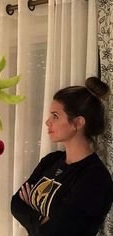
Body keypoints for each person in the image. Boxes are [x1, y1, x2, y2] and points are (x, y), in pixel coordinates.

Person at [11, 77, 113, 236]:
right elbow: (16, 203)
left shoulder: (95, 178)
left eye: (55, 116)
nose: (47, 122)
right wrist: (41, 220)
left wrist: (31, 209)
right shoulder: (51, 160)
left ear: (78, 123)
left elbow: (54, 232)